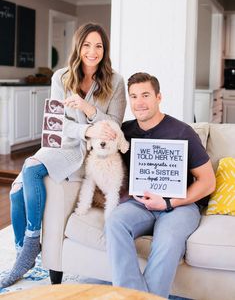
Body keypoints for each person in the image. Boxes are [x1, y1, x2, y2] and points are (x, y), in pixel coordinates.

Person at [0, 22, 126, 288]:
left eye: (99, 46)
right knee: (21, 181)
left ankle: (29, 249)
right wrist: (88, 128)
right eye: (87, 45)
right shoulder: (61, 77)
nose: (93, 51)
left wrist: (87, 108)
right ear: (78, 47)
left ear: (105, 50)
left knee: (29, 170)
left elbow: (114, 126)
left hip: (91, 154)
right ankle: (28, 246)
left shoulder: (115, 81)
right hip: (63, 144)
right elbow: (57, 123)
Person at [105, 72, 216, 299]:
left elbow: (208, 181)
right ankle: (133, 296)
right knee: (114, 222)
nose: (139, 103)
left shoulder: (182, 132)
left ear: (158, 97)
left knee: (168, 239)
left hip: (179, 206)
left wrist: (168, 202)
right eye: (134, 96)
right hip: (139, 204)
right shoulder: (125, 132)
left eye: (145, 95)